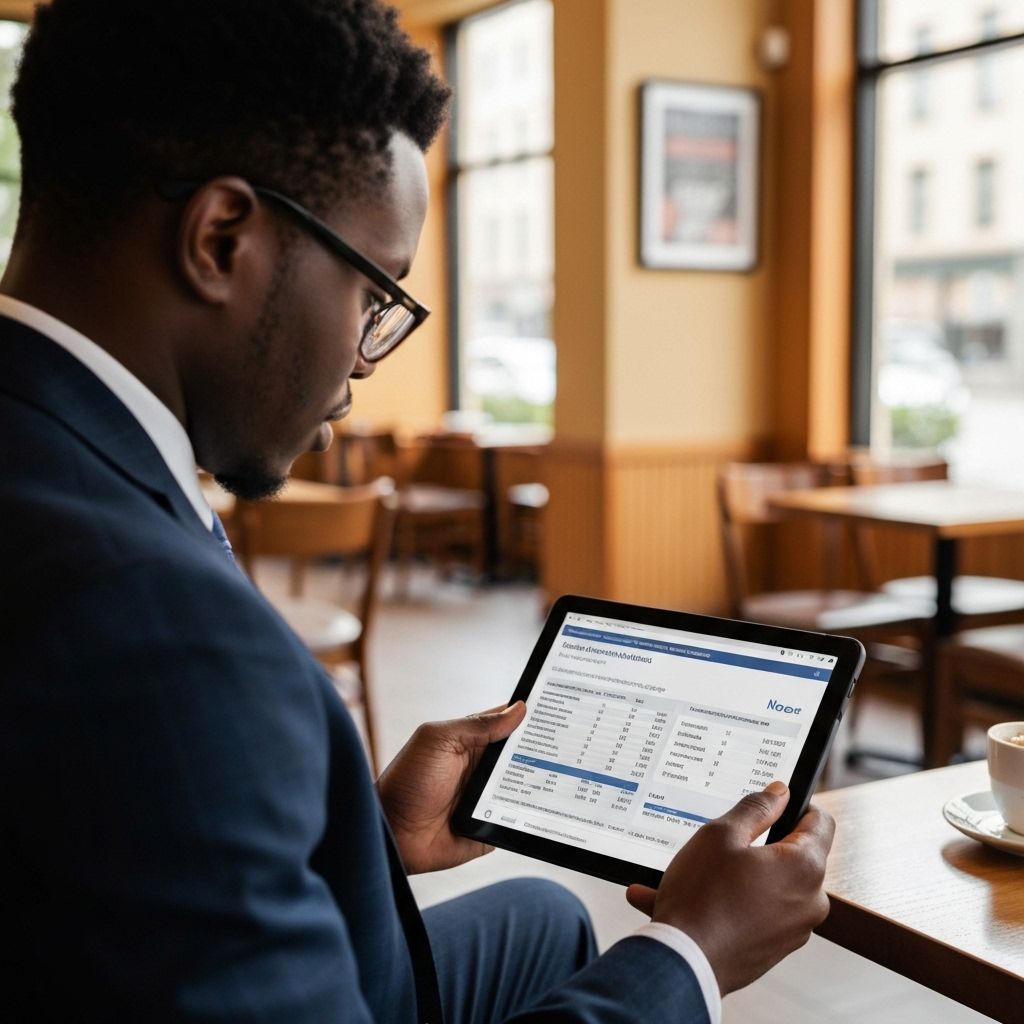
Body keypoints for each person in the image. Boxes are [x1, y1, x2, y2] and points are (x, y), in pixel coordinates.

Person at [0, 1, 834, 1021]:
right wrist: (695, 951)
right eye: (373, 294)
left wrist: (362, 828)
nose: (357, 370)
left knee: (543, 912)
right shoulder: (159, 628)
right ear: (221, 237)